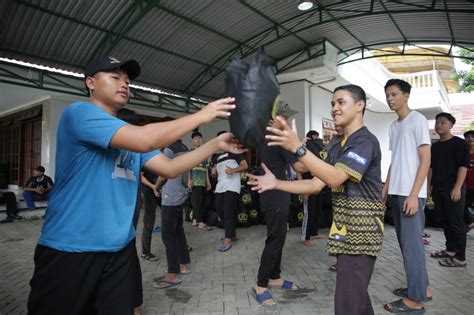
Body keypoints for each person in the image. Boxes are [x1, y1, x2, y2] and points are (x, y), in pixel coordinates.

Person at [27, 56, 244, 315]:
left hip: (120, 247)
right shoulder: (80, 113)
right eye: (115, 77)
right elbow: (143, 140)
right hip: (71, 248)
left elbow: (170, 167)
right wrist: (201, 115)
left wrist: (216, 145)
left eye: (127, 80)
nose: (124, 84)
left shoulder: (129, 134)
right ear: (91, 83)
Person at [248, 85, 384, 314]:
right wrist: (277, 183)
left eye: (341, 102)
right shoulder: (337, 145)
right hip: (345, 232)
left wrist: (297, 149)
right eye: (332, 104)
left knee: (347, 303)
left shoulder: (365, 142)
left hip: (362, 235)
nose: (334, 108)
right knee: (356, 298)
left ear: (360, 106)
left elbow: (335, 178)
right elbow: (314, 184)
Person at [382, 79, 432, 313]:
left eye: (394, 94)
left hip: (411, 195)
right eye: (387, 95)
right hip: (396, 193)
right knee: (406, 246)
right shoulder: (394, 126)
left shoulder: (418, 120)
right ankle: (422, 288)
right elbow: (395, 162)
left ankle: (415, 301)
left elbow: (425, 160)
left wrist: (414, 195)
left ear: (406, 95)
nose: (390, 99)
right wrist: (385, 190)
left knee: (413, 248)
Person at [250, 101, 306, 307]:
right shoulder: (278, 141)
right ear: (274, 120)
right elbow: (299, 164)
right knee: (275, 240)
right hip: (275, 197)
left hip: (276, 195)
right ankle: (261, 285)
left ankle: (274, 277)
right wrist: (300, 146)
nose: (289, 121)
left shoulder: (269, 140)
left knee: (279, 239)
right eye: (285, 118)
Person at [429, 112, 469, 268]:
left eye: (443, 122)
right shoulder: (436, 146)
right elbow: (431, 168)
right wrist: (429, 187)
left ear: (451, 125)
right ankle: (450, 250)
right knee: (445, 221)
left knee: (456, 223)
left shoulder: (460, 144)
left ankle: (460, 258)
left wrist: (457, 188)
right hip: (438, 189)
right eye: (437, 122)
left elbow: (463, 167)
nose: (439, 125)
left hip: (453, 188)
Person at [153, 139, 192, 288]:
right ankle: (183, 265)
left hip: (170, 196)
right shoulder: (184, 147)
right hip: (180, 194)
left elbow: (164, 172)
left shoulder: (169, 149)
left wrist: (156, 187)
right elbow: (185, 176)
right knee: (178, 231)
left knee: (167, 235)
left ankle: (173, 273)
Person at [211, 131, 248, 252]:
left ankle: (228, 238)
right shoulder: (216, 157)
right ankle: (231, 233)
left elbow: (244, 166)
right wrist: (213, 172)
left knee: (227, 212)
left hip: (232, 186)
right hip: (220, 186)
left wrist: (233, 170)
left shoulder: (234, 152)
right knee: (220, 211)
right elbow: (215, 172)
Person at [300, 130, 325, 247]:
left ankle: (314, 232)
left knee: (317, 209)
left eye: (317, 137)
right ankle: (305, 237)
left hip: (318, 182)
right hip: (307, 184)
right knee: (308, 210)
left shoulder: (319, 150)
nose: (316, 139)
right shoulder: (303, 150)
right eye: (313, 137)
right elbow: (297, 169)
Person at [188, 131, 212, 230]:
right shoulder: (191, 152)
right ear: (193, 141)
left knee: (199, 201)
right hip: (195, 180)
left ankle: (194, 220)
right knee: (197, 201)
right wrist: (189, 180)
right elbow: (188, 167)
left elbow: (206, 169)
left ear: (201, 140)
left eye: (199, 138)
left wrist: (208, 181)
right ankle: (200, 222)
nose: (197, 140)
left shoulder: (205, 152)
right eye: (195, 138)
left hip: (203, 181)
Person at [464, 129, 474, 229]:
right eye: (468, 137)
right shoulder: (463, 153)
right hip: (466, 186)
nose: (470, 139)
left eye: (472, 136)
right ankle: (470, 222)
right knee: (462, 206)